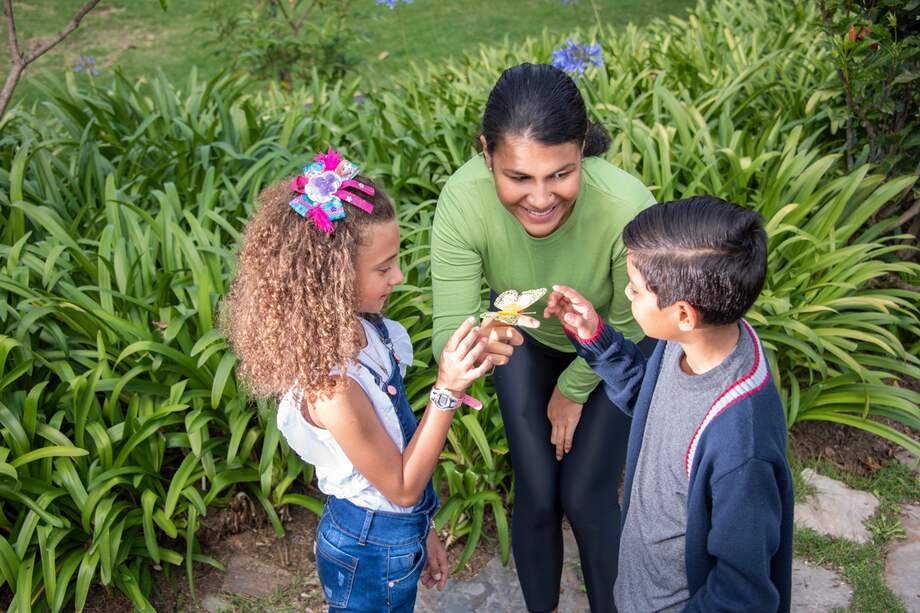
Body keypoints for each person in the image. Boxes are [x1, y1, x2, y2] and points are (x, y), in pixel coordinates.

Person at [223, 148, 502, 612]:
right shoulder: (331, 388)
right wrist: (447, 391)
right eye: (384, 266)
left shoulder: (366, 330)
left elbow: (399, 449)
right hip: (367, 548)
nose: (399, 275)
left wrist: (422, 528)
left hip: (393, 534)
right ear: (331, 278)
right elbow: (400, 486)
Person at [431, 62, 656, 612]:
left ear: (581, 149)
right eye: (519, 177)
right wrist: (476, 347)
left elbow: (635, 321)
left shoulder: (625, 206)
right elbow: (452, 329)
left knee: (586, 493)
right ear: (487, 154)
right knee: (536, 489)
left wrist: (574, 388)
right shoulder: (462, 201)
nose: (540, 198)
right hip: (522, 335)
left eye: (560, 174)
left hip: (613, 344)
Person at [545, 196, 794, 612]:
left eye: (636, 289)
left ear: (683, 313)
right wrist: (596, 339)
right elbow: (651, 401)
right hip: (639, 591)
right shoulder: (691, 341)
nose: (626, 293)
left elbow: (743, 594)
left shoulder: (740, 444)